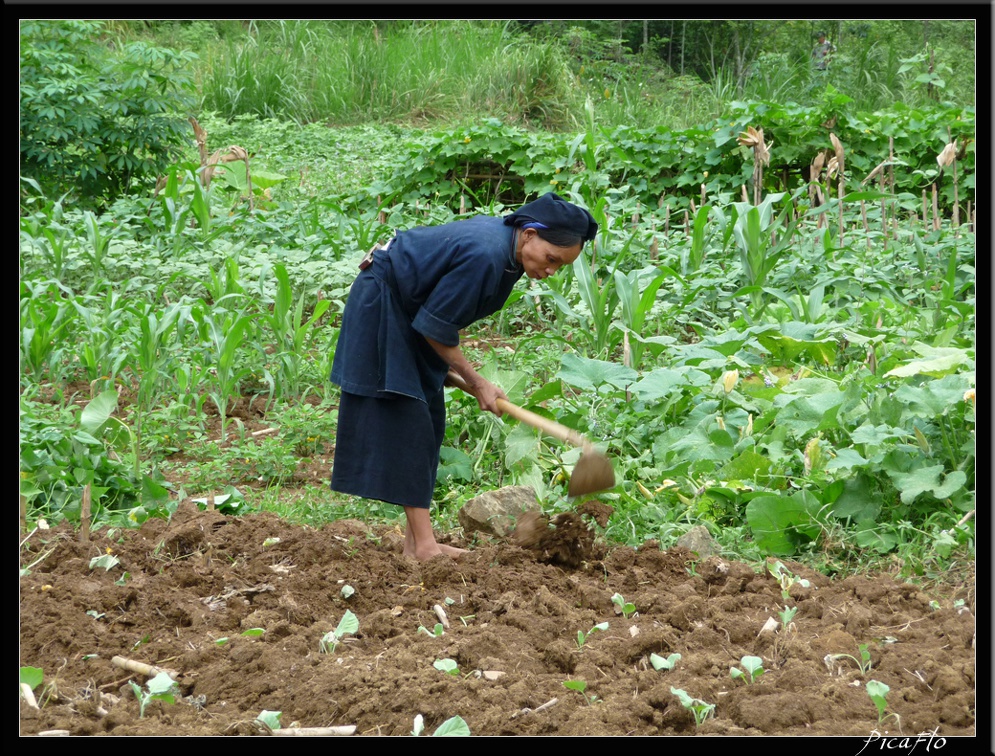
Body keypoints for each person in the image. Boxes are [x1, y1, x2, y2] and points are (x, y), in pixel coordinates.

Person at [330, 192, 598, 560]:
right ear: (530, 233)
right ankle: (424, 547)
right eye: (551, 259)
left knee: (429, 419)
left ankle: (416, 544)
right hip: (385, 304)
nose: (550, 271)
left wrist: (448, 374)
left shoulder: (508, 252)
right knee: (409, 421)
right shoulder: (487, 255)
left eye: (560, 267)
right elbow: (435, 328)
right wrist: (476, 381)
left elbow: (437, 313)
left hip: (408, 308)